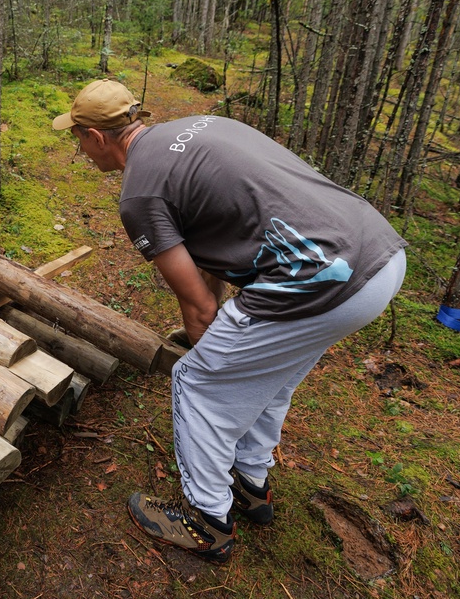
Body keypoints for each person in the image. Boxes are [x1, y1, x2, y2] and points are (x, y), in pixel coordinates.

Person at [53, 79, 406, 563]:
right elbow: (213, 248)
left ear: (97, 136)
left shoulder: (140, 195)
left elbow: (198, 308)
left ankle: (207, 521)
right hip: (378, 258)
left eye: (78, 139)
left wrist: (212, 351)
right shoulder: (202, 126)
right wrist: (230, 343)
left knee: (197, 383)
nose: (80, 149)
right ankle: (250, 483)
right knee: (268, 374)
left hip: (323, 279)